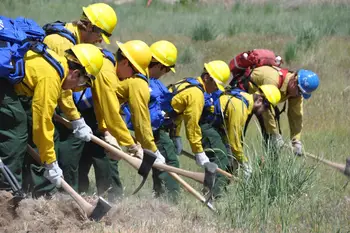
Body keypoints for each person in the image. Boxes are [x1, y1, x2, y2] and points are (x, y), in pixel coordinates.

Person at [0, 43, 103, 197]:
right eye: (82, 83)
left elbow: (63, 91)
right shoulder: (50, 77)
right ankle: (5, 191)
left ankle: (27, 187)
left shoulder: (58, 63)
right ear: (75, 73)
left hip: (7, 85)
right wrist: (50, 162)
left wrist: (76, 120)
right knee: (17, 130)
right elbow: (42, 122)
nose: (77, 88)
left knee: (24, 127)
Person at [43, 2, 121, 196]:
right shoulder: (63, 44)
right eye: (98, 36)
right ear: (90, 27)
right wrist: (76, 118)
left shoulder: (72, 41)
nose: (98, 42)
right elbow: (64, 87)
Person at [121, 40, 180, 201]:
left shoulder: (149, 80)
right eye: (166, 70)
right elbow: (141, 119)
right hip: (150, 133)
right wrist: (150, 147)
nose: (165, 74)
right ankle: (171, 202)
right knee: (169, 163)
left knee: (166, 163)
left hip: (151, 131)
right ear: (160, 66)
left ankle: (161, 199)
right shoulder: (141, 82)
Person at [165, 60, 232, 199]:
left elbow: (177, 112)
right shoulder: (197, 94)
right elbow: (192, 125)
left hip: (163, 125)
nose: (215, 89)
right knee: (171, 163)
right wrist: (198, 152)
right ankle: (168, 201)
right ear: (206, 77)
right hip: (158, 126)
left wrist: (175, 135)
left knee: (168, 161)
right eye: (215, 84)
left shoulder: (188, 82)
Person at [244, 66, 319, 155]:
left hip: (261, 103)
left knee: (273, 147)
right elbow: (266, 110)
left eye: (301, 93)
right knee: (237, 134)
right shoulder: (272, 80)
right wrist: (274, 135)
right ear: (294, 80)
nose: (298, 95)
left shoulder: (297, 91)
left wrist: (296, 140)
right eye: (299, 91)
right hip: (244, 98)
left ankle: (269, 167)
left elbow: (296, 115)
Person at [210, 85, 281, 178]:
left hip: (214, 129)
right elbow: (234, 142)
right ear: (259, 100)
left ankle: (214, 186)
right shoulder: (241, 107)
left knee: (228, 160)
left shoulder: (244, 96)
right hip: (207, 129)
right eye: (266, 107)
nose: (265, 111)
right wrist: (245, 163)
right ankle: (213, 189)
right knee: (223, 162)